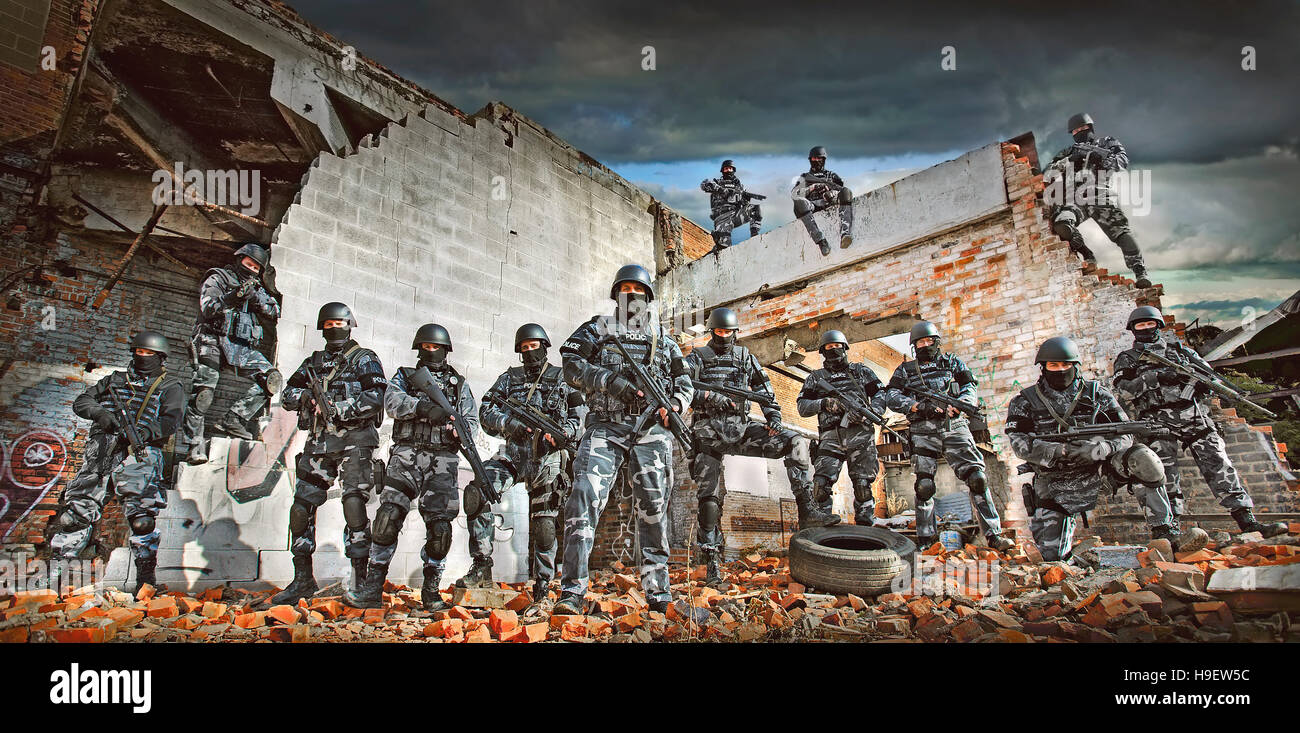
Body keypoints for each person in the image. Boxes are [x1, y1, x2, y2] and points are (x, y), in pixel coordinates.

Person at [553, 264, 693, 615]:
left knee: (655, 508)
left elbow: (685, 382)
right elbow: (570, 362)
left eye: (638, 289)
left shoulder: (664, 339)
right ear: (616, 294)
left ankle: (659, 593)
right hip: (606, 425)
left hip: (651, 431)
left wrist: (675, 404)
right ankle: (572, 591)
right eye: (625, 288)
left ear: (648, 297)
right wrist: (609, 381)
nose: (632, 294)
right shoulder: (598, 327)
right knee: (584, 496)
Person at [1007, 336, 1208, 561]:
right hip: (1055, 479)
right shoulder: (1024, 401)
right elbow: (1020, 444)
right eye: (1054, 365)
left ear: (1075, 366)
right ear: (1043, 367)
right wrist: (1062, 451)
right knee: (1052, 558)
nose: (1061, 370)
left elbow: (1126, 433)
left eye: (1066, 365)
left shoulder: (1096, 394)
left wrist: (1100, 449)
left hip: (1101, 470)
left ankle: (1165, 531)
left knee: (1144, 458)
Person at [690, 308, 837, 586]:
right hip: (708, 433)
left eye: (728, 332)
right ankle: (711, 561)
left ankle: (808, 511)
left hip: (743, 430)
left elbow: (765, 391)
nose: (723, 337)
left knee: (795, 443)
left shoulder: (745, 357)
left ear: (735, 333)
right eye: (719, 332)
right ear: (712, 332)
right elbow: (681, 387)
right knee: (709, 500)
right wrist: (709, 397)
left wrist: (774, 418)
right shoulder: (698, 357)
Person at [1112, 306, 1288, 538]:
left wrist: (1199, 382)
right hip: (1157, 422)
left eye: (1150, 324)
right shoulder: (1128, 359)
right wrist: (1156, 377)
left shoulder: (1181, 352)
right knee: (1161, 476)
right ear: (1133, 330)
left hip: (1195, 418)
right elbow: (1123, 391)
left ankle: (1247, 521)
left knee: (1220, 466)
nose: (1145, 328)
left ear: (1158, 326)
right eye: (1140, 325)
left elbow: (1210, 377)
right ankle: (1167, 530)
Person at [344, 323, 481, 610]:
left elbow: (472, 423)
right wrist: (423, 408)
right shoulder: (406, 377)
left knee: (441, 528)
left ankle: (430, 591)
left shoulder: (459, 384)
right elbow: (391, 402)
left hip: (443, 461)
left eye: (436, 348)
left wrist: (459, 429)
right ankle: (372, 589)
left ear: (446, 351)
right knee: (387, 518)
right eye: (426, 347)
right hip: (405, 456)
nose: (431, 352)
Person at [49, 331, 185, 593]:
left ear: (160, 357)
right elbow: (82, 401)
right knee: (75, 515)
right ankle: (55, 575)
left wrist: (146, 432)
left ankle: (146, 581)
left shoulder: (170, 386)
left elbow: (172, 420)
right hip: (101, 453)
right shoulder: (114, 380)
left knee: (142, 520)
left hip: (139, 457)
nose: (142, 357)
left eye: (148, 354)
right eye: (139, 352)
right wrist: (100, 414)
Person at [273, 303, 386, 604]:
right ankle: (301, 580)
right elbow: (286, 395)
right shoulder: (314, 361)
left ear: (350, 325)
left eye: (340, 322)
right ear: (322, 327)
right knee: (300, 508)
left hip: (356, 441)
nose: (335, 328)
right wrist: (307, 397)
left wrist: (339, 408)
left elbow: (376, 397)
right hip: (319, 442)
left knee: (354, 506)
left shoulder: (365, 359)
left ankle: (361, 582)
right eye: (329, 323)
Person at [466, 323, 584, 606]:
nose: (530, 351)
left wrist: (562, 434)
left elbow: (579, 418)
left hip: (548, 457)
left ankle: (543, 587)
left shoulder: (563, 378)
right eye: (525, 347)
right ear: (519, 351)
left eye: (535, 346)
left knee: (544, 526)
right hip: (513, 453)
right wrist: (510, 424)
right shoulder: (509, 379)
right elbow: (486, 410)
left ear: (545, 346)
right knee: (477, 494)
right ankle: (481, 563)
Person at [883, 321, 1015, 552]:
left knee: (977, 479)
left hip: (955, 426)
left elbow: (969, 386)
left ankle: (993, 535)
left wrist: (961, 405)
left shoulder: (952, 362)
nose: (925, 345)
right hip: (923, 430)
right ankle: (927, 541)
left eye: (929, 341)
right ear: (914, 346)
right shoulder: (905, 370)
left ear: (937, 342)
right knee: (924, 486)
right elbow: (891, 395)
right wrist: (915, 406)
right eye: (920, 342)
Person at [182, 243, 281, 462]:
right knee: (203, 395)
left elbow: (275, 310)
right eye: (248, 264)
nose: (251, 270)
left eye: (256, 268)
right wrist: (233, 297)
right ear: (239, 260)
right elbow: (208, 308)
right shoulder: (218, 278)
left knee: (271, 379)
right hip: (211, 339)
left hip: (238, 346)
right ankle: (194, 446)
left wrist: (255, 297)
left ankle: (234, 419)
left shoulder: (256, 288)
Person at [1045, 113, 1152, 288]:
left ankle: (1140, 272)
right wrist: (1069, 160)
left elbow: (1122, 159)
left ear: (1090, 128)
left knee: (1122, 233)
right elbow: (1048, 171)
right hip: (1075, 198)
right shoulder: (1068, 151)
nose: (1079, 132)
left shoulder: (1107, 142)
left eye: (1083, 128)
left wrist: (1104, 159)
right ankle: (1087, 255)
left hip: (1100, 194)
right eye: (1075, 130)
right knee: (1061, 224)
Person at [795, 330, 884, 526]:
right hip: (830, 436)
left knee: (863, 487)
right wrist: (825, 403)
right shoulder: (816, 378)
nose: (834, 350)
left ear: (844, 348)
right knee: (820, 487)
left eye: (837, 346)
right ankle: (822, 533)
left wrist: (868, 412)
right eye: (829, 347)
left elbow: (880, 396)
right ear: (823, 351)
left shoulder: (862, 372)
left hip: (860, 435)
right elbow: (802, 406)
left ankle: (866, 531)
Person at [792, 146, 853, 256]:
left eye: (819, 159)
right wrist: (812, 187)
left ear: (824, 160)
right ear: (810, 160)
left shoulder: (832, 176)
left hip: (829, 202)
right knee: (799, 202)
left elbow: (841, 190)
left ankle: (845, 233)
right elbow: (794, 194)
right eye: (814, 159)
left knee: (847, 192)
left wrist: (831, 192)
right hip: (812, 205)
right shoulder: (805, 177)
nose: (817, 161)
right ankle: (821, 241)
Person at [700, 159, 763, 251]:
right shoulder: (717, 182)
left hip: (735, 215)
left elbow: (745, 202)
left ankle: (754, 235)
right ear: (722, 171)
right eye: (726, 169)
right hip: (722, 217)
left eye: (730, 168)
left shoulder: (740, 186)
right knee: (724, 246)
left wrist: (745, 199)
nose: (728, 171)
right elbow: (704, 185)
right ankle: (718, 241)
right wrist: (720, 189)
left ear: (733, 170)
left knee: (755, 209)